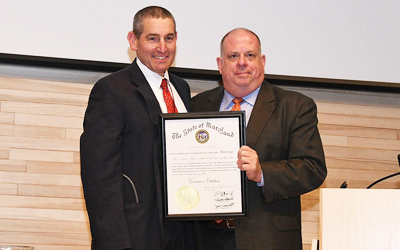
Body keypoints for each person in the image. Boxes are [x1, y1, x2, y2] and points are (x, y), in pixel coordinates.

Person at [191, 28, 327, 250]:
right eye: (233, 56)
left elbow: (313, 169)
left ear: (262, 61)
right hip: (207, 239)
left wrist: (262, 172)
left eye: (250, 55)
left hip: (269, 240)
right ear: (220, 63)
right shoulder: (197, 105)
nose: (242, 62)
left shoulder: (295, 107)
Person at [80, 6, 195, 250]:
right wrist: (116, 243)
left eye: (169, 38)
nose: (162, 48)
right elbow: (99, 176)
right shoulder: (111, 90)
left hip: (181, 234)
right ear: (134, 41)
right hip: (136, 236)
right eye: (152, 38)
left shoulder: (182, 89)